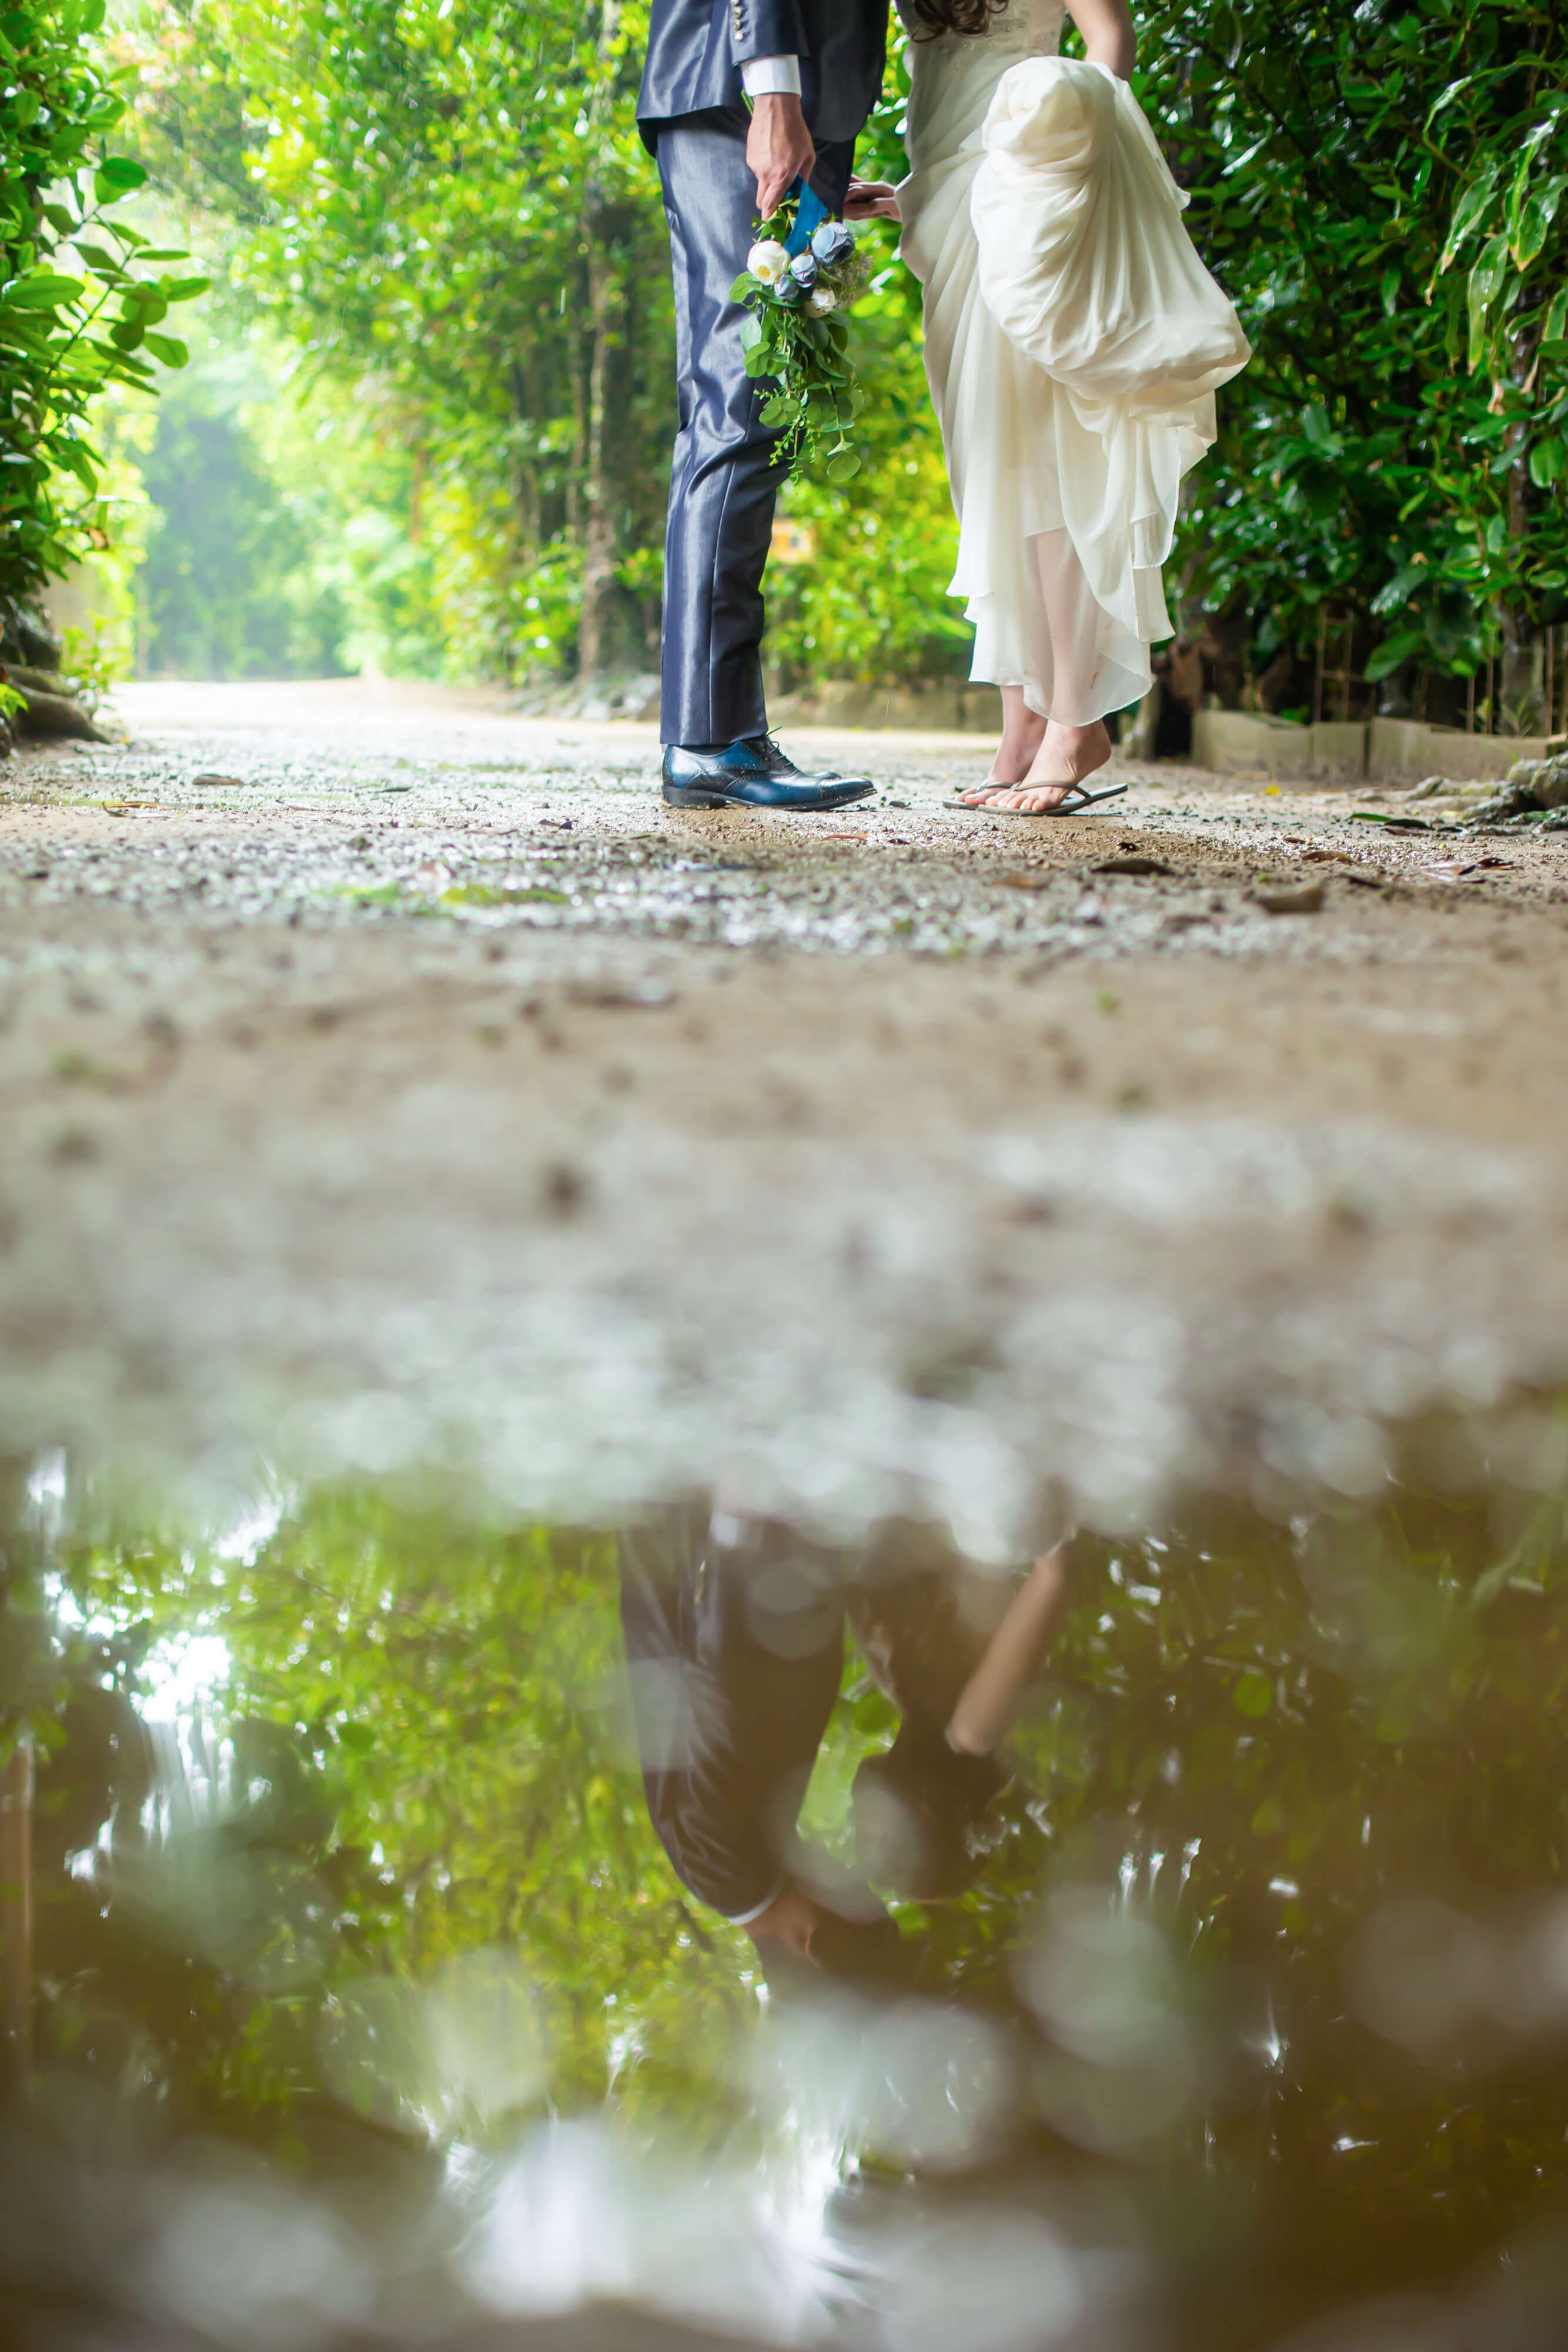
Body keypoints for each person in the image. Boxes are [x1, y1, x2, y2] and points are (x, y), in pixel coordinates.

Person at [845, 0, 1251, 814]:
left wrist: (1052, 179)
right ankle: (1023, 723)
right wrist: (913, 195)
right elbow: (946, 87)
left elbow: (1109, 43)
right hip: (947, 202)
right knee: (990, 465)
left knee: (1044, 457)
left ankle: (1074, 718)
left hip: (1030, 207)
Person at [618, 1502, 1071, 1979]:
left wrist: (741, 1526)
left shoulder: (732, 1869)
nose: (847, 1867)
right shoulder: (731, 1868)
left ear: (808, 1944)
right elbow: (710, 1687)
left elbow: (710, 1690)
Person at [636, 1, 892, 813]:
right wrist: (775, 91)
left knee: (759, 399)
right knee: (739, 400)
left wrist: (815, 126)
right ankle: (711, 739)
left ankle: (718, 731)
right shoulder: (765, 92)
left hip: (800, 109)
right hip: (743, 89)